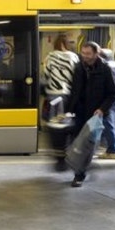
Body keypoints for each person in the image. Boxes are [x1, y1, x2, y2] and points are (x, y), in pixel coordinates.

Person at [68, 41, 115, 187]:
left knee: (87, 145)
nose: (85, 57)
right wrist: (69, 109)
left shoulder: (105, 69)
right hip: (79, 111)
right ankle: (80, 169)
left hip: (95, 114)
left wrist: (102, 109)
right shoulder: (78, 67)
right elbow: (74, 90)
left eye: (88, 54)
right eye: (83, 53)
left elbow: (112, 94)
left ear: (96, 53)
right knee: (77, 143)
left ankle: (79, 174)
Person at [42, 34, 79, 170]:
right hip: (68, 97)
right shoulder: (74, 57)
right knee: (69, 126)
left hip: (54, 98)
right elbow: (77, 77)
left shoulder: (50, 57)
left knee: (55, 128)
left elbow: (45, 76)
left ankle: (59, 159)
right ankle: (69, 154)